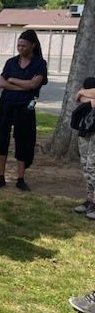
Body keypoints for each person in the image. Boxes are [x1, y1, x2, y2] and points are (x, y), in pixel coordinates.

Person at [0, 29, 48, 191]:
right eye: (18, 45)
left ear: (33, 45)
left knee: (24, 140)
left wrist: (13, 81)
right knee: (1, 138)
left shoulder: (40, 64)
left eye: (24, 45)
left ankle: (20, 178)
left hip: (26, 107)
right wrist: (23, 86)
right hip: (6, 104)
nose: (20, 48)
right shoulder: (11, 62)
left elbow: (34, 85)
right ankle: (1, 176)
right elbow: (2, 83)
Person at [71, 76, 95, 219]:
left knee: (93, 166)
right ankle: (90, 199)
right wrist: (86, 95)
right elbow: (78, 97)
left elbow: (85, 98)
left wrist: (84, 94)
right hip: (86, 129)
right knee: (86, 166)